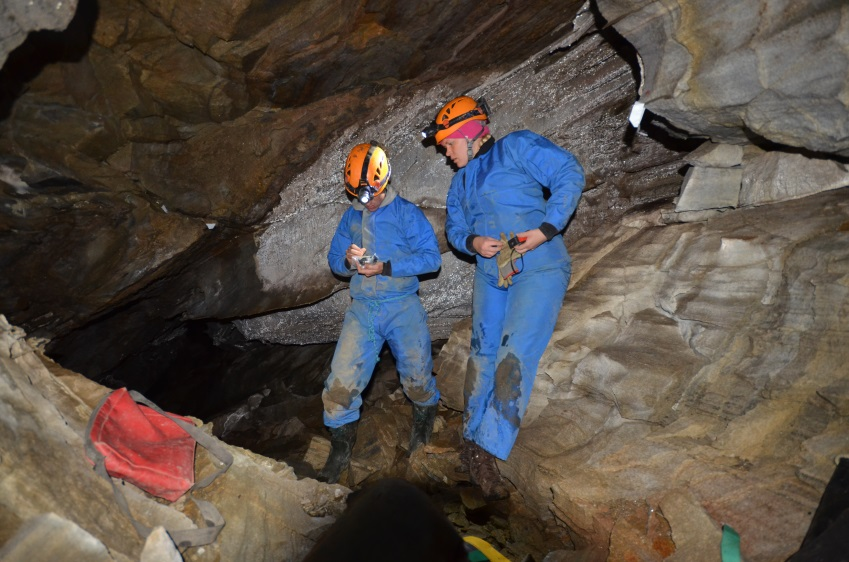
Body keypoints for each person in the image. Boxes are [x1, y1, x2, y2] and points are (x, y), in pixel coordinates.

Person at [422, 96, 585, 500]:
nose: (445, 152)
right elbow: (456, 229)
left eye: (448, 144)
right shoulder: (460, 182)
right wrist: (473, 241)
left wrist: (548, 227)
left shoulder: (517, 146)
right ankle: (471, 441)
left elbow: (569, 171)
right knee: (482, 352)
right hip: (492, 271)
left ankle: (486, 449)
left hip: (539, 263)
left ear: (469, 134)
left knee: (516, 352)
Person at [318, 141, 442, 484]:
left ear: (383, 183)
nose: (365, 203)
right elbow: (334, 261)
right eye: (358, 197)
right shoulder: (350, 217)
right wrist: (348, 261)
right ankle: (341, 449)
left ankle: (423, 422)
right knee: (340, 384)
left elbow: (431, 259)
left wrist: (385, 267)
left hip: (403, 305)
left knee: (417, 378)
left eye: (370, 195)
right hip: (363, 310)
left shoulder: (406, 213)